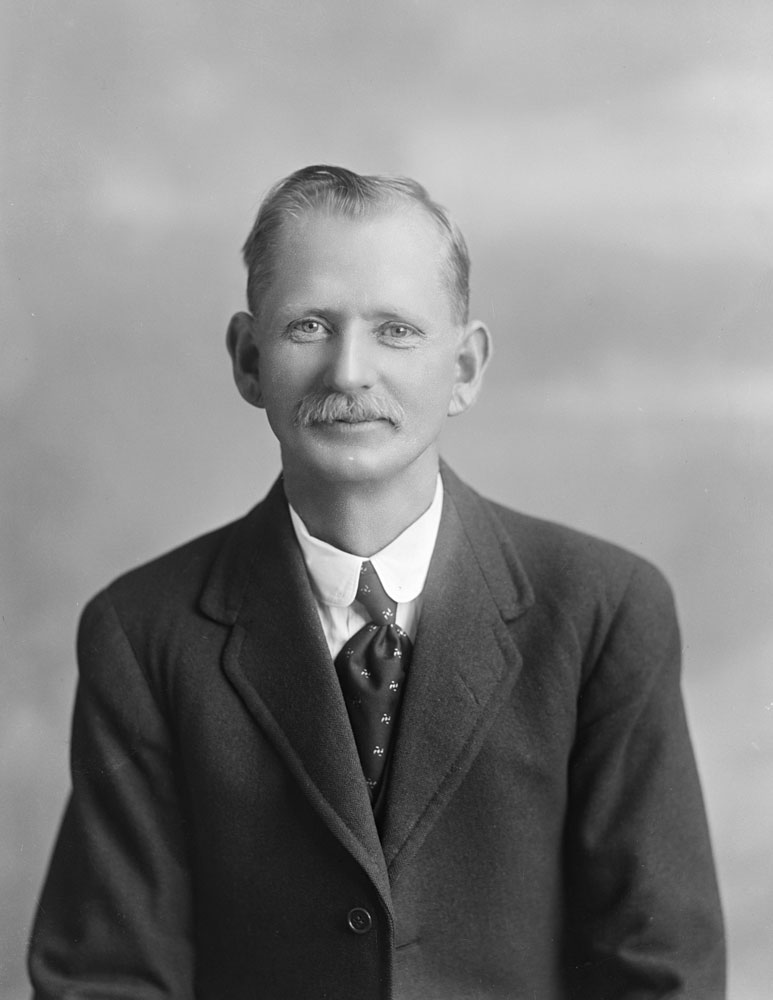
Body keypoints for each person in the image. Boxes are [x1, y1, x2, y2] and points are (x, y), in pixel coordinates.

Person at [28, 165, 725, 999]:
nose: (349, 371)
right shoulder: (144, 632)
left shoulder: (602, 610)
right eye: (310, 326)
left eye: (395, 330)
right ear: (249, 360)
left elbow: (659, 970)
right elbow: (107, 977)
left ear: (464, 368)